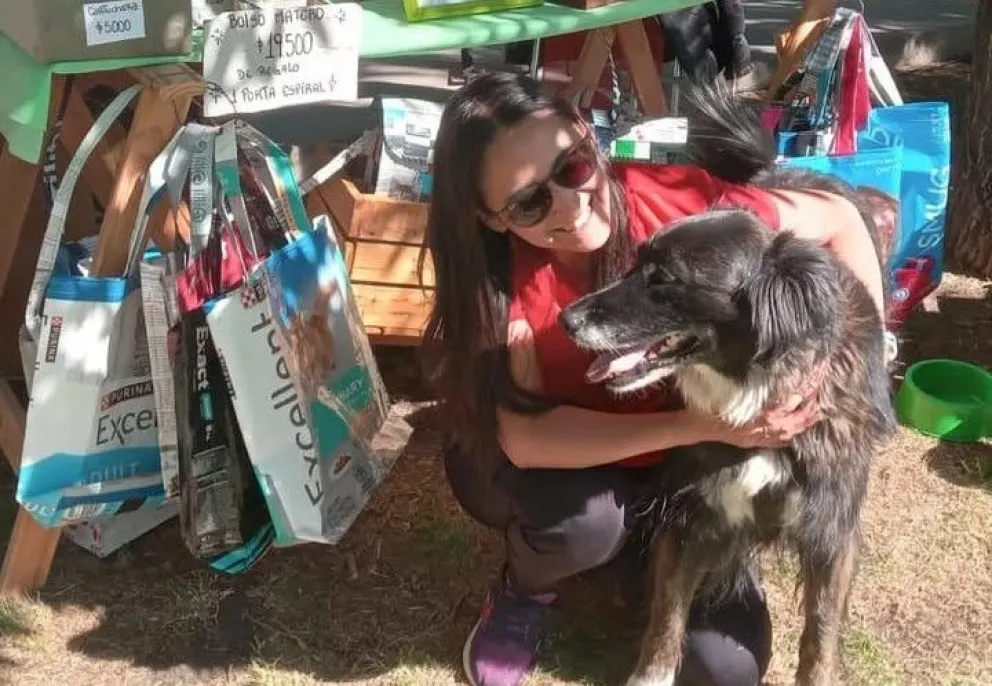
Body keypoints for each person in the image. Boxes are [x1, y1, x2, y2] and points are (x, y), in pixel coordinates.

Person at [418, 72, 885, 686]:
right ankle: (526, 588)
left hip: (672, 470)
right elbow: (525, 441)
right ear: (492, 215)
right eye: (530, 202)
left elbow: (845, 220)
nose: (570, 204)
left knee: (725, 672)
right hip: (552, 467)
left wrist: (858, 361)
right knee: (585, 524)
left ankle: (634, 562)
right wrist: (701, 424)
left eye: (573, 168)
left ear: (589, 139)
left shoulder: (680, 206)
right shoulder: (493, 279)